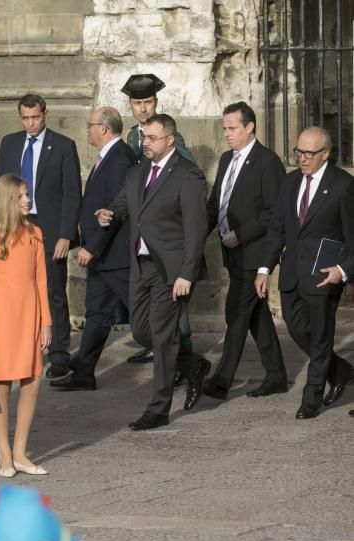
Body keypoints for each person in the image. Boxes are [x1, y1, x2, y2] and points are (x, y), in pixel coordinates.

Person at [96, 114, 210, 430]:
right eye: (144, 138)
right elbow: (124, 205)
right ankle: (193, 364)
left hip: (170, 270)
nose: (145, 143)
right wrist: (110, 214)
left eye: (151, 138)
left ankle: (158, 408)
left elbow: (196, 229)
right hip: (141, 265)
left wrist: (186, 274)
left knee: (161, 338)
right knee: (142, 332)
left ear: (169, 139)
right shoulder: (138, 172)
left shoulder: (188, 175)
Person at [256, 126, 354, 419]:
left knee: (322, 336)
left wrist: (342, 270)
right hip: (292, 274)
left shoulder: (343, 185)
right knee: (297, 328)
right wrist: (264, 268)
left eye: (309, 153)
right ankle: (342, 371)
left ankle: (311, 399)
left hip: (325, 274)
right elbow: (277, 229)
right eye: (299, 151)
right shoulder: (290, 182)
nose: (302, 158)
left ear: (326, 154)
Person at [202, 102, 288, 402]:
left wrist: (241, 233)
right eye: (224, 128)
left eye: (232, 128)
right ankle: (277, 375)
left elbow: (274, 212)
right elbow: (217, 204)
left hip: (255, 253)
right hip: (233, 254)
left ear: (250, 127)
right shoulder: (227, 159)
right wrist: (196, 234)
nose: (226, 134)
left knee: (237, 312)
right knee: (257, 316)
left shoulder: (267, 162)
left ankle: (221, 380)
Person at [0, 94, 81, 379]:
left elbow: (71, 194)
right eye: (25, 118)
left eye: (35, 117)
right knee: (14, 289)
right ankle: (20, 349)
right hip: (15, 225)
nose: (31, 123)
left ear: (46, 114)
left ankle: (58, 354)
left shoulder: (64, 146)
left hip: (50, 227)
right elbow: (1, 186)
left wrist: (66, 235)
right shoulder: (10, 143)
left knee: (54, 289)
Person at [51, 106, 137, 391]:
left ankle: (186, 361)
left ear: (104, 128)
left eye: (90, 125)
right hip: (103, 257)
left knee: (143, 313)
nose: (87, 130)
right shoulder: (108, 157)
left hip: (115, 255)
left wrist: (93, 247)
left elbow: (114, 210)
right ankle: (84, 371)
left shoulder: (120, 158)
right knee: (97, 314)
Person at [120, 73, 197, 366]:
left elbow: (187, 168)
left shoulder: (169, 134)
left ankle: (184, 355)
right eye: (137, 103)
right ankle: (158, 346)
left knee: (174, 299)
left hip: (166, 227)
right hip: (143, 226)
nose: (142, 108)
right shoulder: (131, 135)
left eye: (148, 102)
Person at [0, 175, 52, 476]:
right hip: (1, 319)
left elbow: (41, 280)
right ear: (7, 200)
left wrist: (46, 321)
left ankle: (21, 451)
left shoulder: (35, 234)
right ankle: (4, 453)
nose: (27, 199)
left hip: (29, 315)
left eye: (27, 194)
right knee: (1, 385)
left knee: (32, 382)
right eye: (21, 195)